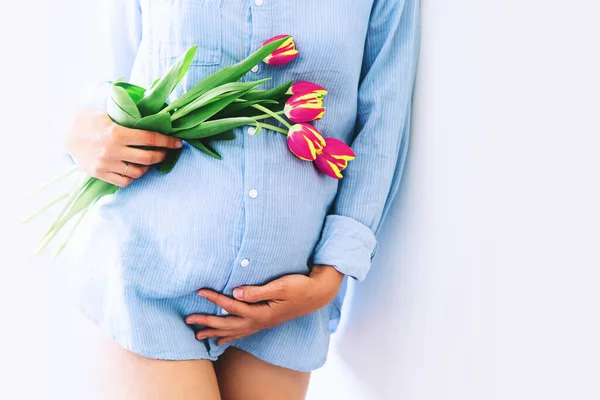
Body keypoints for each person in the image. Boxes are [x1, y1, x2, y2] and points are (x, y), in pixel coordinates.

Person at [63, 0, 420, 398]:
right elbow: (113, 81)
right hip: (147, 271)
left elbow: (382, 124)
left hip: (285, 301)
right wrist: (83, 135)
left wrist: (330, 275)